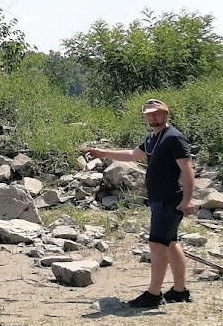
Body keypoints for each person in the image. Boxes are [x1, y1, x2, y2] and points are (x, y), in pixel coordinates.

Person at [82, 99, 196, 308]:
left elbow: (187, 170)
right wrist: (103, 152)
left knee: (156, 244)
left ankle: (153, 294)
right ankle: (180, 290)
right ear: (145, 117)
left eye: (157, 113)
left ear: (165, 114)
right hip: (158, 199)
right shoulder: (152, 138)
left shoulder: (173, 138)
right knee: (170, 243)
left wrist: (187, 199)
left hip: (169, 199)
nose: (153, 117)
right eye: (149, 114)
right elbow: (133, 155)